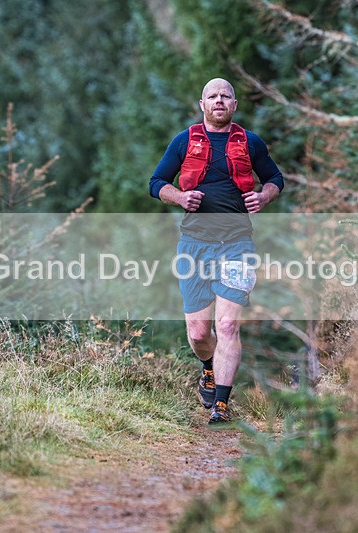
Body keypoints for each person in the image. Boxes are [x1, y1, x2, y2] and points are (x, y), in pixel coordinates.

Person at [149, 77, 284, 425]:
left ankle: (220, 405)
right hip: (194, 245)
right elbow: (156, 183)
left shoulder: (250, 142)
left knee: (227, 325)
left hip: (238, 245)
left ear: (235, 105)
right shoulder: (184, 141)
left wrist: (263, 197)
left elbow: (275, 179)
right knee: (198, 333)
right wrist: (180, 197)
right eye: (213, 96)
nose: (219, 100)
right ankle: (208, 368)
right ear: (202, 104)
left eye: (225, 96)